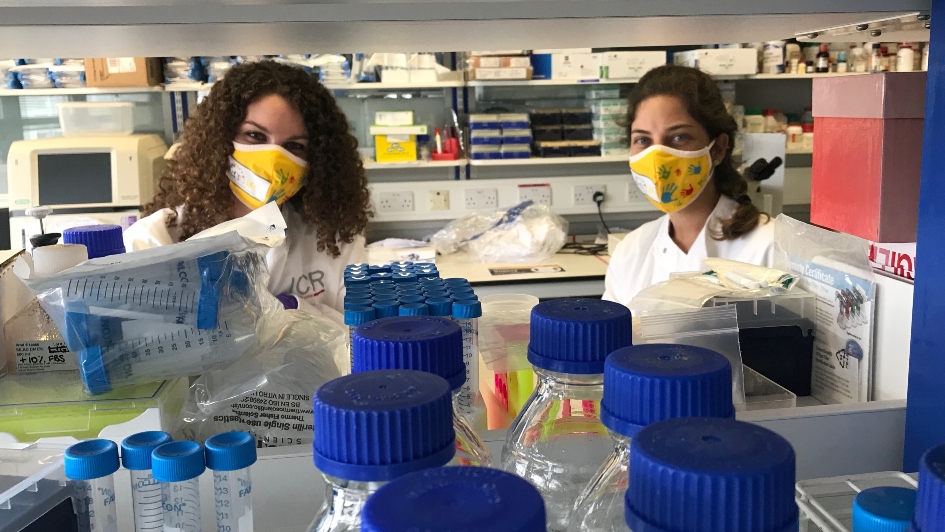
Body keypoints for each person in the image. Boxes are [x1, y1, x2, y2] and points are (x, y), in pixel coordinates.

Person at [124, 61, 372, 324]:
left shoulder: (333, 240)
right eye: (255, 135)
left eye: (295, 146)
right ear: (219, 138)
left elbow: (359, 337)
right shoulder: (157, 240)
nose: (274, 159)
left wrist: (290, 310)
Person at [603, 65, 773, 305]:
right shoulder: (631, 252)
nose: (657, 155)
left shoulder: (768, 246)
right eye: (643, 140)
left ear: (717, 149)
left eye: (679, 137)